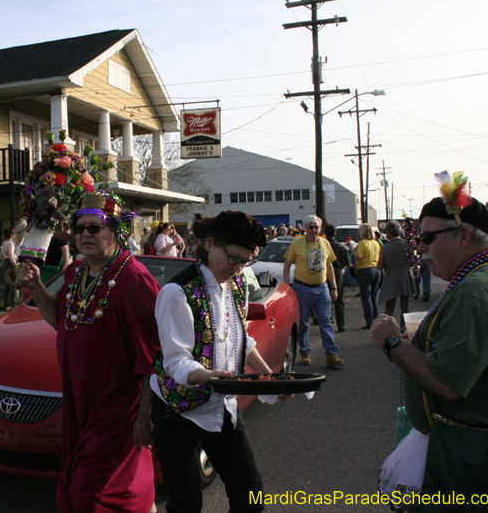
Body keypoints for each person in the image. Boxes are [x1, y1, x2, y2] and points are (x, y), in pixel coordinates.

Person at [372, 194, 488, 509]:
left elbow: (447, 381)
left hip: (465, 457)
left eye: (426, 238)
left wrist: (392, 342)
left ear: (464, 236)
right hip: (474, 447)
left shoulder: (478, 291)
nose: (419, 247)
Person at [19, 191, 160, 513]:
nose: (85, 234)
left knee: (91, 491)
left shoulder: (134, 279)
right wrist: (37, 287)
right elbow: (60, 320)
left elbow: (154, 357)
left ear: (116, 233)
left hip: (119, 405)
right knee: (103, 483)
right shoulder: (77, 272)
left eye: (94, 228)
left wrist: (145, 415)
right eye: (80, 228)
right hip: (81, 400)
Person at [150, 211, 278, 513]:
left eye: (247, 262)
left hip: (220, 403)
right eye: (233, 258)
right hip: (176, 409)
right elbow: (176, 361)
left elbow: (242, 338)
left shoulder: (235, 286)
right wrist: (207, 376)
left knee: (250, 494)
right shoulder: (176, 293)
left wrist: (269, 377)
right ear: (208, 243)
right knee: (186, 502)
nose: (238, 268)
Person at [283, 215, 344, 367]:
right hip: (302, 288)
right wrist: (287, 286)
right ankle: (305, 352)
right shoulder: (297, 243)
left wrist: (334, 287)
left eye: (316, 227)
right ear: (305, 228)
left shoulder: (325, 243)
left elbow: (329, 266)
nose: (313, 230)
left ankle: (332, 354)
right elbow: (287, 264)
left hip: (322, 288)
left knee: (326, 321)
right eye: (310, 227)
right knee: (303, 323)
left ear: (320, 228)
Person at [376, 220, 416, 327]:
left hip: (391, 276)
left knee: (389, 308)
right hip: (405, 275)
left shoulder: (385, 248)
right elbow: (413, 261)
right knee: (405, 306)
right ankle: (404, 329)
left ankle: (391, 329)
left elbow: (379, 266)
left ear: (389, 233)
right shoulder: (407, 245)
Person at [348, 224, 381, 329]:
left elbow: (358, 257)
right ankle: (377, 319)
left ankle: (369, 321)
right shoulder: (376, 243)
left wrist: (351, 248)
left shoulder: (362, 243)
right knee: (374, 296)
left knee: (365, 296)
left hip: (365, 269)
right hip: (376, 269)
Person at [324, 224, 349, 333]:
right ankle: (341, 325)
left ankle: (327, 322)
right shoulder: (340, 246)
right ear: (335, 233)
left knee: (325, 299)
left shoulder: (323, 245)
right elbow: (346, 262)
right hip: (338, 272)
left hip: (324, 271)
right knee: (339, 300)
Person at [0, 227, 18, 311]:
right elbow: (11, 256)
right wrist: (15, 265)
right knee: (13, 284)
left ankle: (6, 304)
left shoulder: (3, 244)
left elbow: (0, 256)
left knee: (7, 285)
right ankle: (13, 304)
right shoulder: (11, 244)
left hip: (5, 263)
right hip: (11, 263)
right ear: (11, 235)